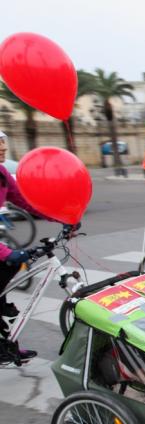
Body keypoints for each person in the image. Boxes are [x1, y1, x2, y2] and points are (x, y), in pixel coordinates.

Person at [0, 130, 59, 359]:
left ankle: (7, 347)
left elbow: (25, 201)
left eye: (4, 143)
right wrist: (6, 252)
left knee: (8, 272)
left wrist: (60, 217)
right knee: (9, 261)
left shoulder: (3, 173)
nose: (4, 148)